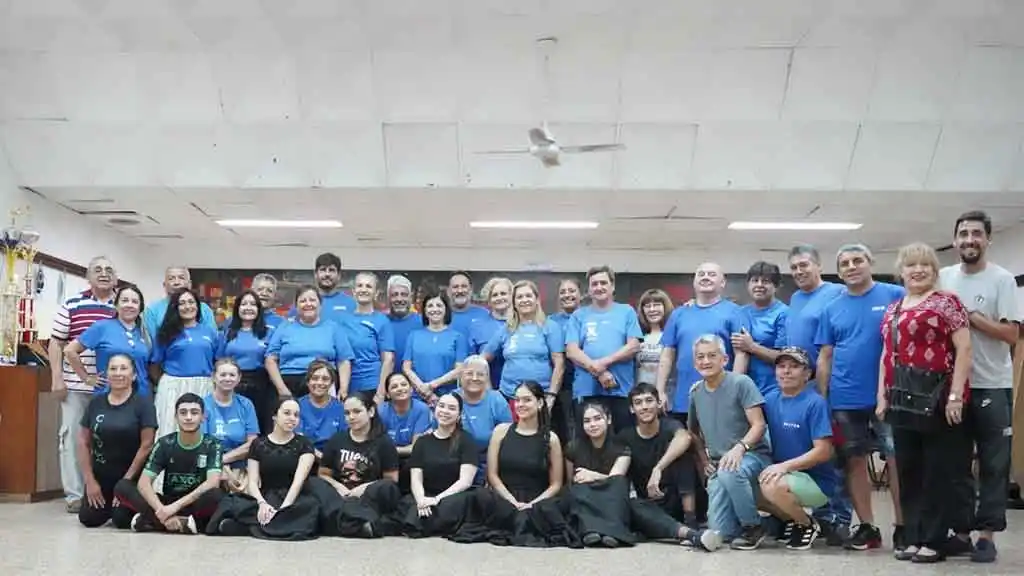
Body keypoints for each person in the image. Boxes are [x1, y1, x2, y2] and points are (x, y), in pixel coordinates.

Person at [880, 242, 973, 563]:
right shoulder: (894, 307)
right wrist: (881, 395)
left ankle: (934, 539)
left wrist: (956, 395)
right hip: (900, 399)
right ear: (901, 271)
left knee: (937, 472)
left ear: (935, 271)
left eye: (926, 266)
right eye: (911, 265)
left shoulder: (948, 303)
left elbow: (964, 349)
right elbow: (885, 354)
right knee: (908, 471)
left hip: (937, 397)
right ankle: (914, 536)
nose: (918, 270)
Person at [939, 210, 1021, 564]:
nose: (969, 239)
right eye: (963, 234)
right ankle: (960, 532)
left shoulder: (1002, 281)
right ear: (955, 240)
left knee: (993, 463)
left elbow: (1011, 334)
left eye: (976, 234)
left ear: (988, 239)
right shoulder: (942, 277)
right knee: (955, 463)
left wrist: (968, 316)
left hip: (992, 385)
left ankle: (986, 535)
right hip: (952, 386)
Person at [816, 243, 905, 552]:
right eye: (845, 263)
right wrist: (822, 399)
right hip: (844, 397)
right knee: (854, 462)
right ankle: (868, 526)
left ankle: (903, 526)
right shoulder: (832, 308)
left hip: (890, 396)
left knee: (897, 460)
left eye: (857, 260)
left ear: (870, 262)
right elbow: (825, 356)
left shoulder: (894, 295)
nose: (851, 266)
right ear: (839, 271)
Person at [687, 335, 770, 550]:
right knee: (720, 534)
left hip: (753, 455)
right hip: (719, 463)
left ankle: (754, 527)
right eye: (700, 357)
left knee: (730, 470)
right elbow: (693, 433)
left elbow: (759, 425)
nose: (705, 361)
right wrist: (704, 461)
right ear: (695, 363)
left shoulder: (741, 383)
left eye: (712, 356)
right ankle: (775, 523)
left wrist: (739, 448)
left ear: (724, 359)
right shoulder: (695, 392)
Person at [48, 256, 117, 514]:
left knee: (107, 441)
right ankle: (75, 495)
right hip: (76, 386)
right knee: (72, 438)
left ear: (116, 278)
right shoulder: (72, 303)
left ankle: (103, 493)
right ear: (88, 276)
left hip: (111, 388)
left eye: (109, 270)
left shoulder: (122, 304)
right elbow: (56, 342)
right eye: (97, 270)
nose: (103, 274)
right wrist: (57, 377)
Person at [617, 384, 717, 550]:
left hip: (681, 499)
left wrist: (658, 468)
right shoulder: (625, 436)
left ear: (658, 404)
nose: (645, 406)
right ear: (632, 409)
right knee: (633, 504)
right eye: (638, 402)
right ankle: (689, 534)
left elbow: (685, 437)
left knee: (682, 456)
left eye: (649, 401)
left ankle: (690, 522)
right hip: (653, 506)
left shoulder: (670, 425)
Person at [760, 347, 841, 551]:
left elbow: (823, 451)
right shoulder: (769, 399)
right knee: (744, 486)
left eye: (794, 367)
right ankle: (791, 519)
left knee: (772, 485)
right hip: (787, 475)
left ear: (807, 374)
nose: (786, 371)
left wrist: (784, 467)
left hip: (817, 482)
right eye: (781, 366)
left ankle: (807, 524)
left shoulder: (815, 403)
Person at [207, 398, 321, 540]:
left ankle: (249, 527)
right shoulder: (258, 444)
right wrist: (262, 503)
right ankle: (270, 525)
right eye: (287, 413)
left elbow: (298, 483)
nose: (292, 418)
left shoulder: (305, 444)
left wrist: (283, 510)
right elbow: (253, 482)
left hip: (293, 498)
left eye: (296, 415)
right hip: (266, 496)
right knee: (231, 502)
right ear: (275, 416)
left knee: (310, 508)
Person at [114, 393, 225, 533]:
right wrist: (162, 510)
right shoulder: (165, 443)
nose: (188, 417)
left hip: (195, 503)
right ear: (176, 417)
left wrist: (174, 508)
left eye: (194, 413)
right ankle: (180, 524)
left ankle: (153, 522)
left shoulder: (213, 444)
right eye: (183, 413)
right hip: (167, 501)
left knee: (216, 495)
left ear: (203, 417)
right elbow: (144, 482)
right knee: (122, 487)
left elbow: (212, 483)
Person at [656, 262, 752, 424]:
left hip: (720, 397)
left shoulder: (735, 313)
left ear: (722, 283)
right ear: (694, 282)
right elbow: (667, 356)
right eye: (701, 274)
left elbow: (741, 355)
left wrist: (733, 391)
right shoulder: (679, 314)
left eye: (712, 274)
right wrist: (660, 390)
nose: (706, 277)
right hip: (683, 400)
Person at [77, 354, 157, 528]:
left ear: (134, 375)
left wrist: (124, 483)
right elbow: (83, 441)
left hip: (130, 477)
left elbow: (147, 444)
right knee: (88, 518)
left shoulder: (144, 404)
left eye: (123, 368)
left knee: (121, 520)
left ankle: (145, 513)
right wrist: (90, 481)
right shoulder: (96, 403)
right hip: (101, 476)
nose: (118, 373)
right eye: (113, 369)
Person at [313, 393, 402, 537]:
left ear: (371, 412)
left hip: (368, 497)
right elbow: (323, 474)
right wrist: (338, 487)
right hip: (341, 496)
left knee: (387, 488)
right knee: (313, 483)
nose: (351, 417)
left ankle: (342, 523)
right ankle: (359, 524)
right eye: (347, 413)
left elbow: (391, 479)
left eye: (357, 411)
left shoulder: (384, 442)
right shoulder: (337, 439)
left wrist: (363, 488)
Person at [565, 266, 642, 432]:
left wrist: (603, 363)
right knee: (586, 443)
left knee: (621, 440)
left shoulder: (626, 311)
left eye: (603, 283)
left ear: (612, 286)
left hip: (619, 389)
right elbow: (572, 350)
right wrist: (599, 372)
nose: (599, 287)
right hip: (586, 390)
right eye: (594, 284)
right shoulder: (578, 316)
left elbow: (633, 346)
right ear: (589, 289)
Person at [483, 280, 565, 418]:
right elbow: (481, 360)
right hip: (509, 398)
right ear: (513, 302)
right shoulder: (506, 329)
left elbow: (560, 364)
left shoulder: (550, 326)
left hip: (541, 398)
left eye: (528, 296)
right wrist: (490, 393)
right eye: (519, 297)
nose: (524, 300)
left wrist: (551, 396)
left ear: (537, 299)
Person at [402, 392, 479, 537]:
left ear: (459, 414)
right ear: (435, 409)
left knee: (452, 506)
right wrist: (421, 500)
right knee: (408, 504)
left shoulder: (466, 440)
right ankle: (425, 520)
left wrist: (437, 500)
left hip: (453, 495)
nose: (445, 411)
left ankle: (422, 523)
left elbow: (465, 481)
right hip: (426, 494)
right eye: (441, 406)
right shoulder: (422, 442)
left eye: (451, 408)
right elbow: (416, 479)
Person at [565, 402, 635, 547]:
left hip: (610, 497)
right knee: (578, 488)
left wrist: (594, 475)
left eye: (597, 418)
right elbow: (569, 480)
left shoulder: (622, 448)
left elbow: (616, 479)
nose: (592, 424)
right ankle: (591, 531)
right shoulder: (573, 447)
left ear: (608, 419)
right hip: (585, 498)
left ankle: (612, 533)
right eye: (587, 421)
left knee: (619, 485)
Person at [151, 288, 218, 438]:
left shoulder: (210, 332)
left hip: (204, 385)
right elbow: (155, 364)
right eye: (182, 303)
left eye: (191, 302)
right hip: (173, 386)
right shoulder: (166, 333)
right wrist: (165, 383)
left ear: (197, 305)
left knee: (202, 429)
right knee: (170, 428)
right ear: (175, 307)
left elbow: (218, 361)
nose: (187, 306)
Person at [266, 285, 355, 398]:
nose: (308, 304)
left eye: (312, 300)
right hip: (290, 384)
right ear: (296, 306)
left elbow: (344, 361)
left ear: (320, 304)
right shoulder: (284, 327)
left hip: (323, 383)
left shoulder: (333, 328)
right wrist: (282, 389)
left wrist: (343, 389)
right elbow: (270, 360)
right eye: (303, 301)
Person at [486, 381, 564, 509]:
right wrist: (512, 502)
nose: (520, 405)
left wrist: (531, 505)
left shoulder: (551, 439)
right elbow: (492, 475)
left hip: (538, 504)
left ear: (539, 403)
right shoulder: (500, 431)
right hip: (503, 500)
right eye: (517, 400)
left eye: (527, 400)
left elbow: (556, 484)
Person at [64, 284, 151, 397]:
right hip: (108, 397)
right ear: (116, 305)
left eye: (134, 302)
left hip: (140, 397)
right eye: (125, 300)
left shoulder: (145, 332)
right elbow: (70, 350)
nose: (129, 305)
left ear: (140, 308)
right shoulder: (102, 327)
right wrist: (87, 378)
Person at [217, 289, 275, 434]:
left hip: (262, 385)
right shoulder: (227, 332)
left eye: (253, 304)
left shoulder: (269, 332)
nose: (248, 308)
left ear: (258, 309)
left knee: (260, 426)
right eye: (244, 304)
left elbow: (273, 360)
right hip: (232, 384)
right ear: (237, 308)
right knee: (235, 425)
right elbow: (219, 360)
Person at [201, 359, 260, 493]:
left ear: (239, 379)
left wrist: (222, 460)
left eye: (232, 375)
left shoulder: (246, 405)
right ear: (213, 377)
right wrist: (219, 466)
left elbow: (253, 443)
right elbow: (202, 444)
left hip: (240, 466)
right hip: (209, 467)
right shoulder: (203, 405)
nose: (227, 379)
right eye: (223, 375)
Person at [733, 261, 788, 396]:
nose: (759, 285)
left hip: (774, 391)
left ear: (776, 286)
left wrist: (752, 347)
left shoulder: (784, 313)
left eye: (765, 281)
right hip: (745, 391)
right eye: (754, 280)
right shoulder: (741, 312)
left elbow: (785, 358)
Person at [402, 288, 468, 401]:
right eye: (430, 306)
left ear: (446, 309)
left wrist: (432, 385)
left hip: (447, 399)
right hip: (417, 397)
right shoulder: (413, 336)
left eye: (439, 305)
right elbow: (406, 367)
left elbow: (460, 369)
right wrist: (422, 388)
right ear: (425, 310)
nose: (435, 309)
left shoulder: (458, 337)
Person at [338, 272, 395, 398]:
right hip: (345, 386)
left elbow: (388, 360)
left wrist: (381, 393)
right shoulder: (342, 320)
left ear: (376, 293)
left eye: (368, 286)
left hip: (371, 387)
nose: (363, 290)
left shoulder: (382, 321)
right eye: (360, 286)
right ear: (353, 291)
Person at [457, 355, 514, 481]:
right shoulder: (451, 399)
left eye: (480, 374)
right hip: (454, 466)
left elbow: (508, 440)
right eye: (469, 373)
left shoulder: (497, 401)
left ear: (487, 377)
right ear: (461, 375)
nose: (475, 378)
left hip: (489, 466)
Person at [378, 372, 433, 492]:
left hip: (412, 459)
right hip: (388, 460)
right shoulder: (381, 411)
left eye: (404, 384)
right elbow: (377, 446)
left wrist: (392, 450)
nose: (400, 389)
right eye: (394, 386)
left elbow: (416, 448)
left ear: (411, 389)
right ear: (387, 394)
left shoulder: (422, 409)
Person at [143, 266, 217, 338]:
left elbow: (212, 338)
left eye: (181, 278)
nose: (176, 282)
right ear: (164, 285)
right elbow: (153, 343)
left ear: (190, 284)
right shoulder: (152, 310)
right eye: (171, 279)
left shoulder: (204, 308)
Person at [295, 360, 347, 457]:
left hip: (333, 460)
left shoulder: (341, 408)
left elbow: (344, 441)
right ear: (307, 381)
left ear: (331, 383)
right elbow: (299, 440)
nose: (319, 382)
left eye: (325, 379)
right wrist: (322, 458)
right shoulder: (297, 406)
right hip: (303, 458)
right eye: (315, 378)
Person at [287, 252, 356, 324]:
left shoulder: (351, 304)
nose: (327, 274)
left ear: (339, 275)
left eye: (331, 270)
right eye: (323, 270)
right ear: (315, 274)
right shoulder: (304, 304)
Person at [385, 275, 422, 369]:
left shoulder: (423, 322)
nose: (399, 299)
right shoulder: (381, 322)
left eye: (404, 295)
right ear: (388, 298)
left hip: (417, 381)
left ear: (411, 297)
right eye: (394, 295)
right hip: (387, 381)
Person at [447, 271, 490, 341]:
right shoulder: (439, 316)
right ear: (448, 291)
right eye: (455, 287)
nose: (460, 291)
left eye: (464, 286)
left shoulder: (485, 315)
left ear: (471, 290)